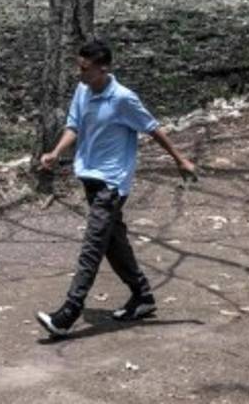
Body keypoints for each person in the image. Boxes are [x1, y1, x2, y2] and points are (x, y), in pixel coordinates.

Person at [35, 38, 197, 339]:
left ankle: (68, 314)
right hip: (90, 178)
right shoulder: (83, 90)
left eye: (85, 68)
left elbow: (152, 128)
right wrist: (56, 152)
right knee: (113, 242)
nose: (79, 73)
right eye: (79, 67)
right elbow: (74, 125)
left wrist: (181, 160)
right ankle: (142, 296)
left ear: (103, 68)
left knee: (93, 246)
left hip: (111, 184)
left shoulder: (123, 99)